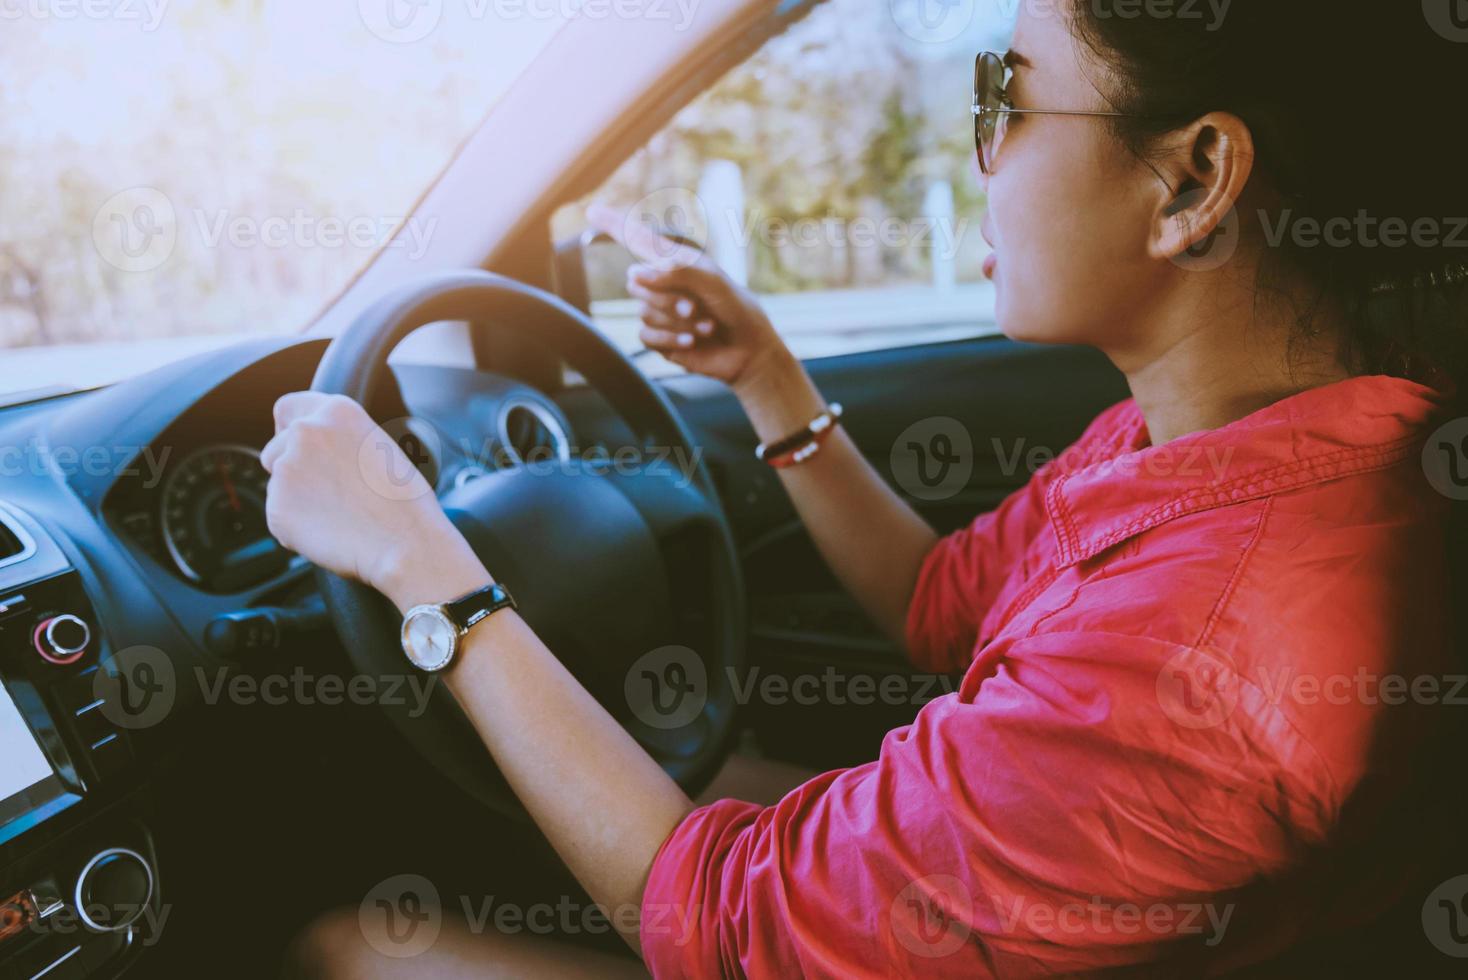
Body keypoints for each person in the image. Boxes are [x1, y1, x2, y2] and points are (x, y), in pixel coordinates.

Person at [275, 2, 1468, 976]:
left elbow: (728, 929)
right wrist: (767, 378)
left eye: (1001, 100)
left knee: (351, 947)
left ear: (1193, 182)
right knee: (706, 766)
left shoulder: (1200, 649)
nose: (978, 149)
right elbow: (942, 604)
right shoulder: (1236, 451)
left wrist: (425, 569)